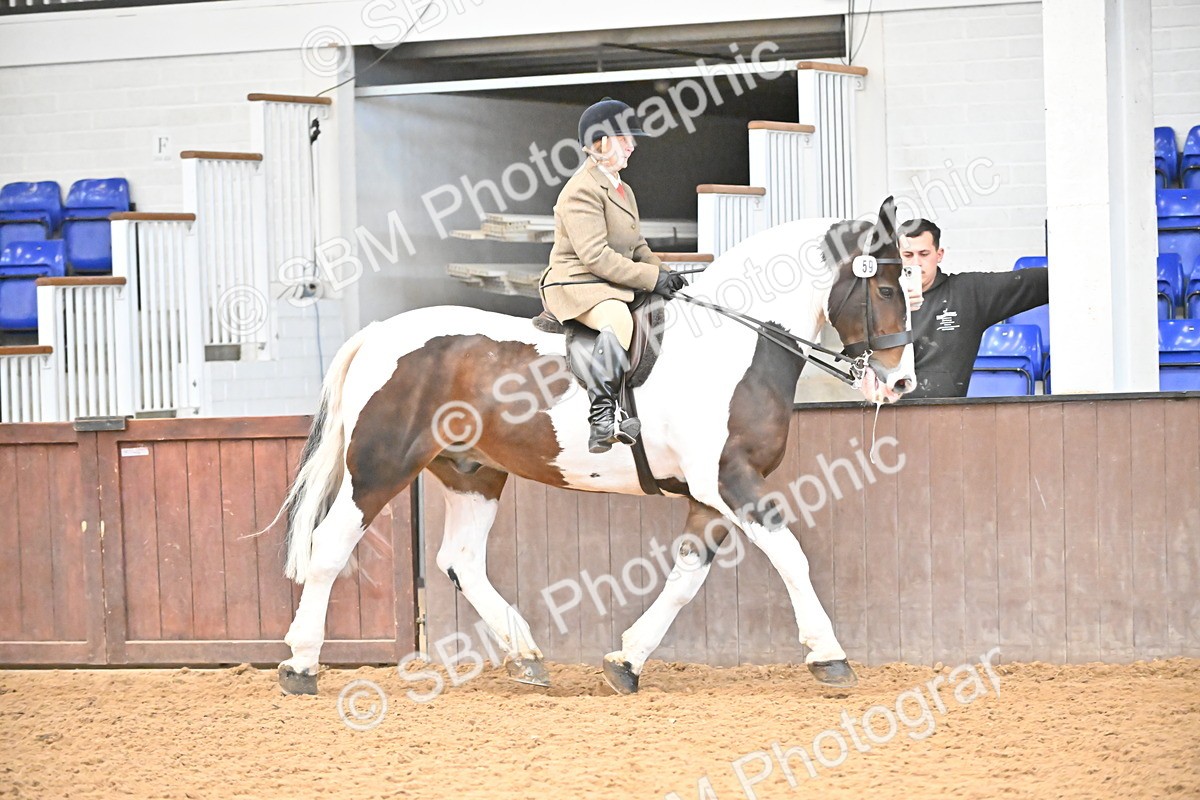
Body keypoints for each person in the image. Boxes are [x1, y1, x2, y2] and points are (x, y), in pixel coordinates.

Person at [539, 98, 686, 453]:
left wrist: (666, 274)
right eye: (624, 139)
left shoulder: (623, 188)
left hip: (609, 280)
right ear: (601, 142)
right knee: (618, 317)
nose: (632, 146)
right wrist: (651, 280)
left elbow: (637, 247)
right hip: (578, 282)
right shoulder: (580, 191)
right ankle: (603, 418)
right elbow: (596, 257)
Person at [898, 218, 1049, 398]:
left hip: (947, 416)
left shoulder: (967, 293)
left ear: (939, 255)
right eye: (908, 255)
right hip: (888, 415)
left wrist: (1081, 270)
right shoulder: (877, 303)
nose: (916, 263)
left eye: (924, 254)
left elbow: (1030, 283)